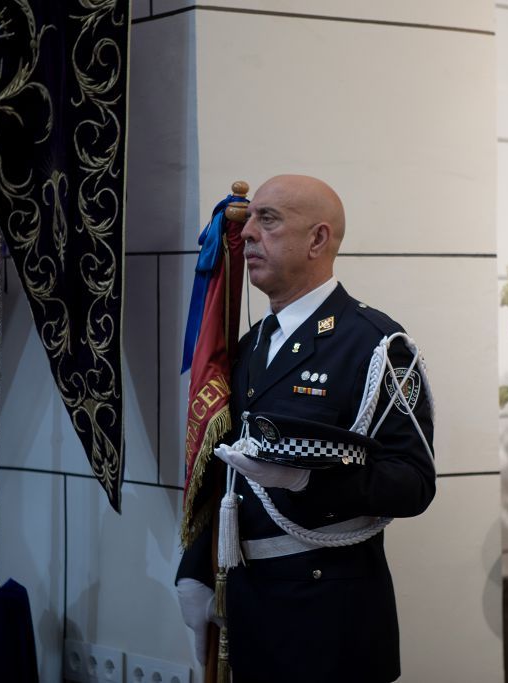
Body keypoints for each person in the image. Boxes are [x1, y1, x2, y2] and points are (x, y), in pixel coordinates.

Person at [177, 175, 436, 683]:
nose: (247, 232)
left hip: (329, 623)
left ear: (317, 239)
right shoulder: (253, 345)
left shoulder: (377, 345)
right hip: (251, 613)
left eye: (267, 219)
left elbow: (413, 482)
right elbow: (231, 469)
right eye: (249, 218)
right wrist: (196, 567)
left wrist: (307, 482)